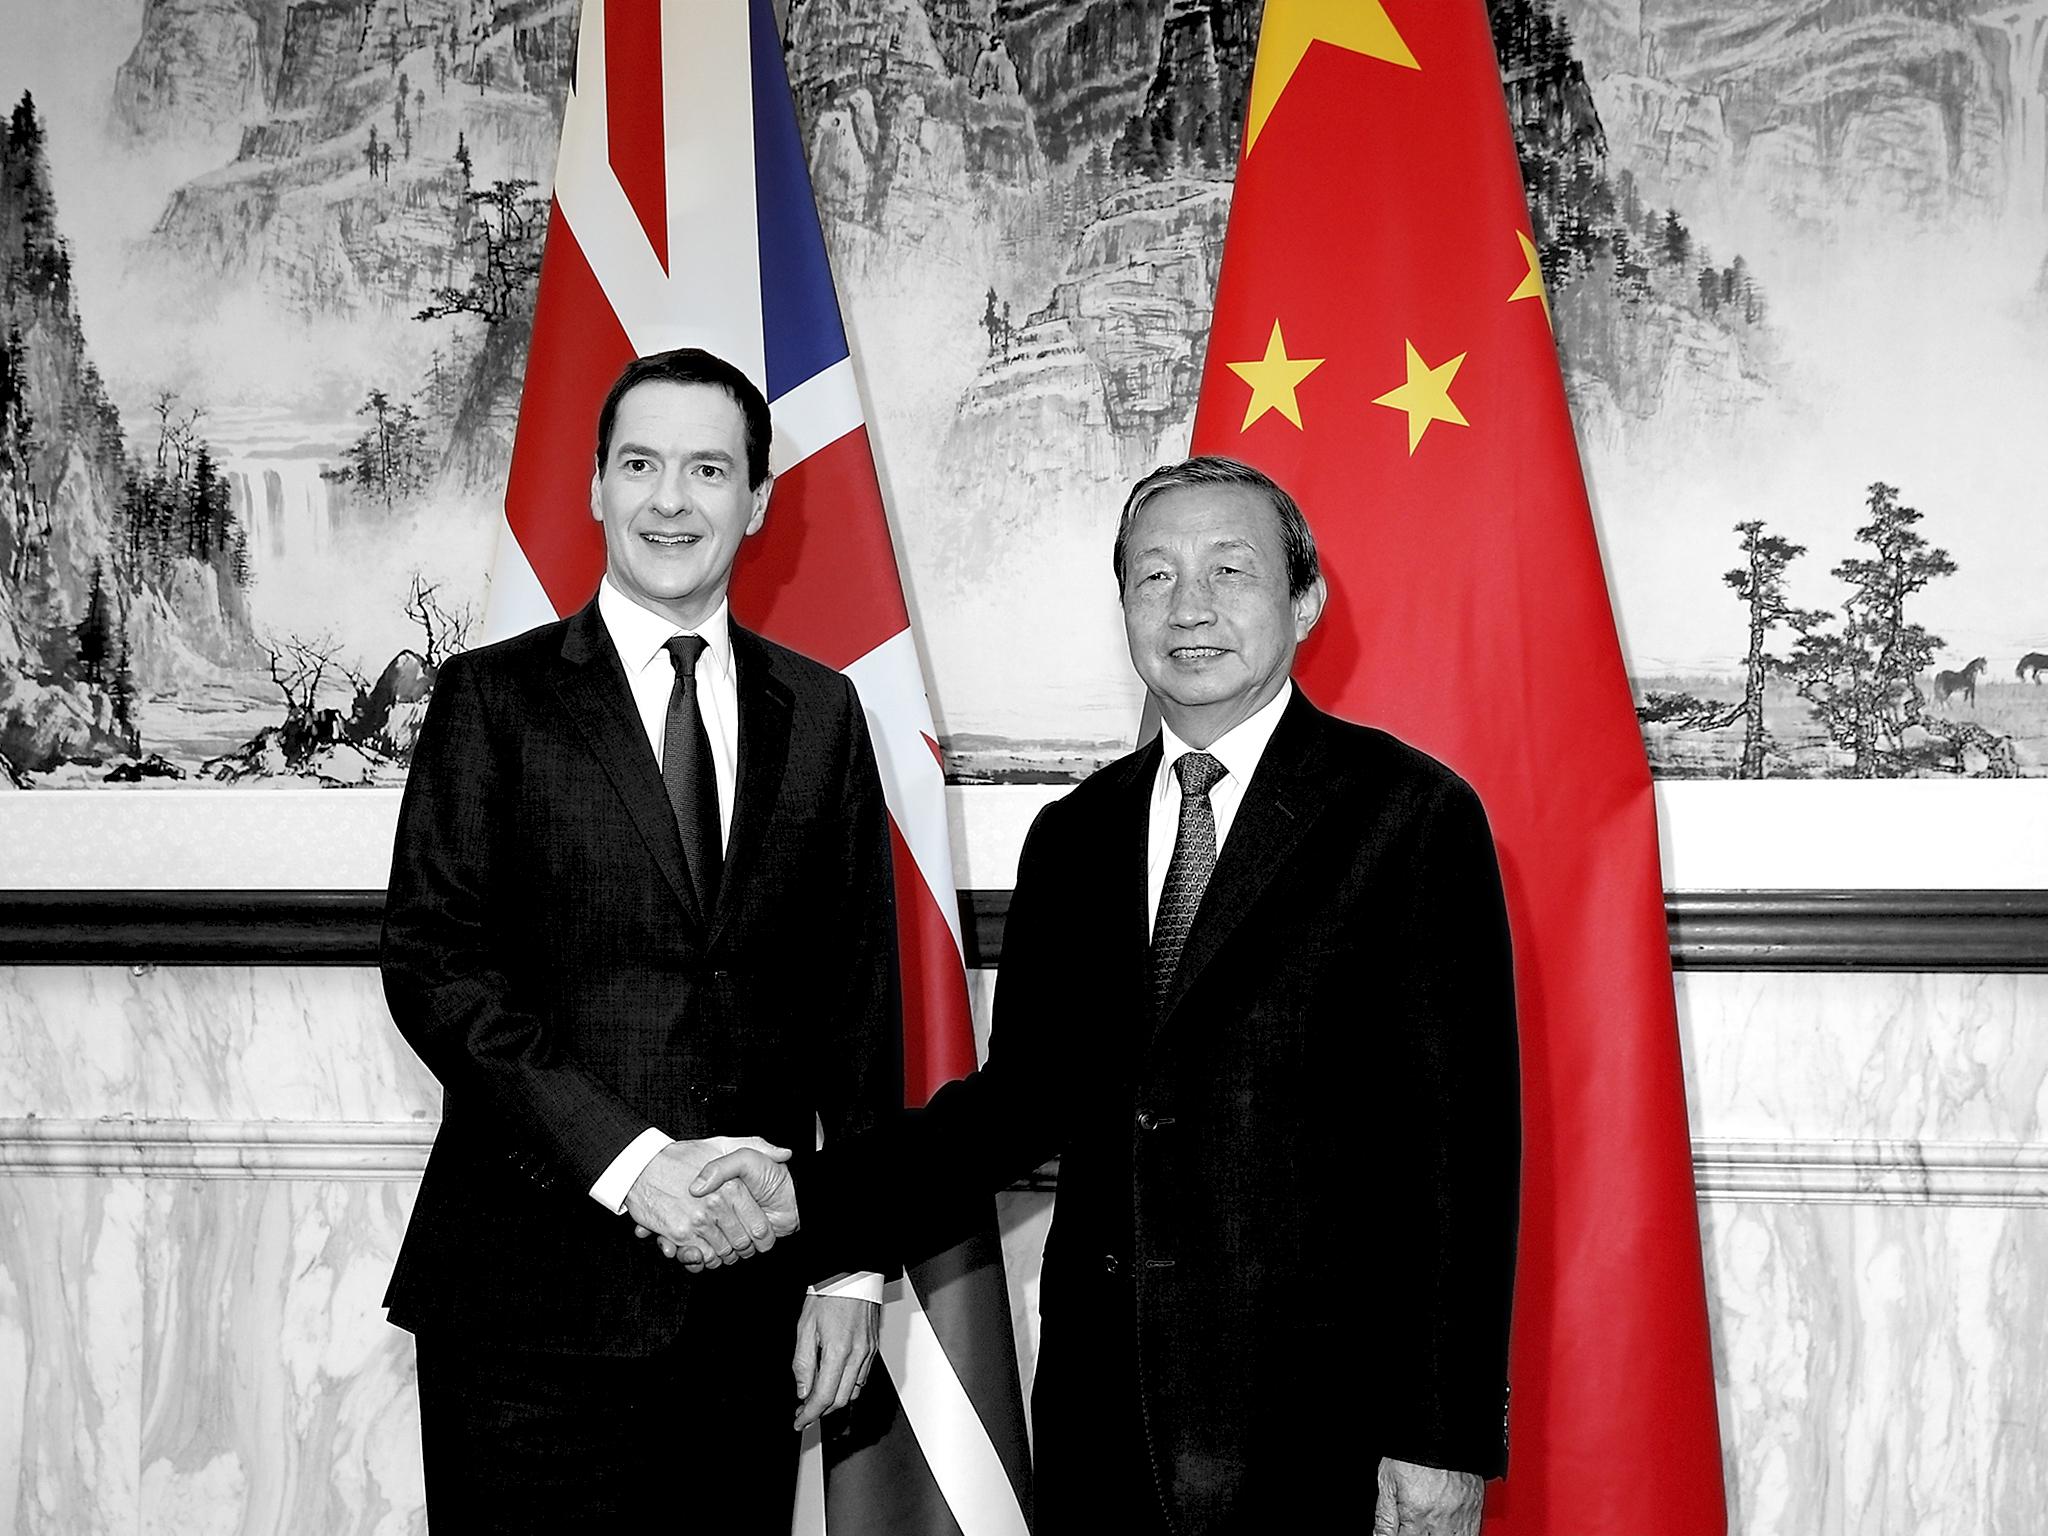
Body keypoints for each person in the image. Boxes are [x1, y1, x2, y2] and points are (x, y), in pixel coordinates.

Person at [696, 456, 1521, 1535]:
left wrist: (1438, 1435)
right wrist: (807, 1194)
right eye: (1154, 577)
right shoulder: (1073, 835)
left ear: (1303, 600)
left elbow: (1457, 1155)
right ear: (1123, 605)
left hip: (1316, 1428)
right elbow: (1015, 1106)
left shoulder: (1409, 818)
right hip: (1101, 1420)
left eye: (1230, 571)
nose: (1190, 608)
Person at [380, 347, 899, 1531]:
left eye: (708, 469)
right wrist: (633, 1166)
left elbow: (856, 1003)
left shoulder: (821, 712)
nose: (672, 499)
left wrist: (850, 1265)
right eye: (641, 465)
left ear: (757, 500)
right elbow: (435, 965)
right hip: (527, 1316)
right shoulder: (490, 699)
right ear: (595, 488)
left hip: (744, 1320)